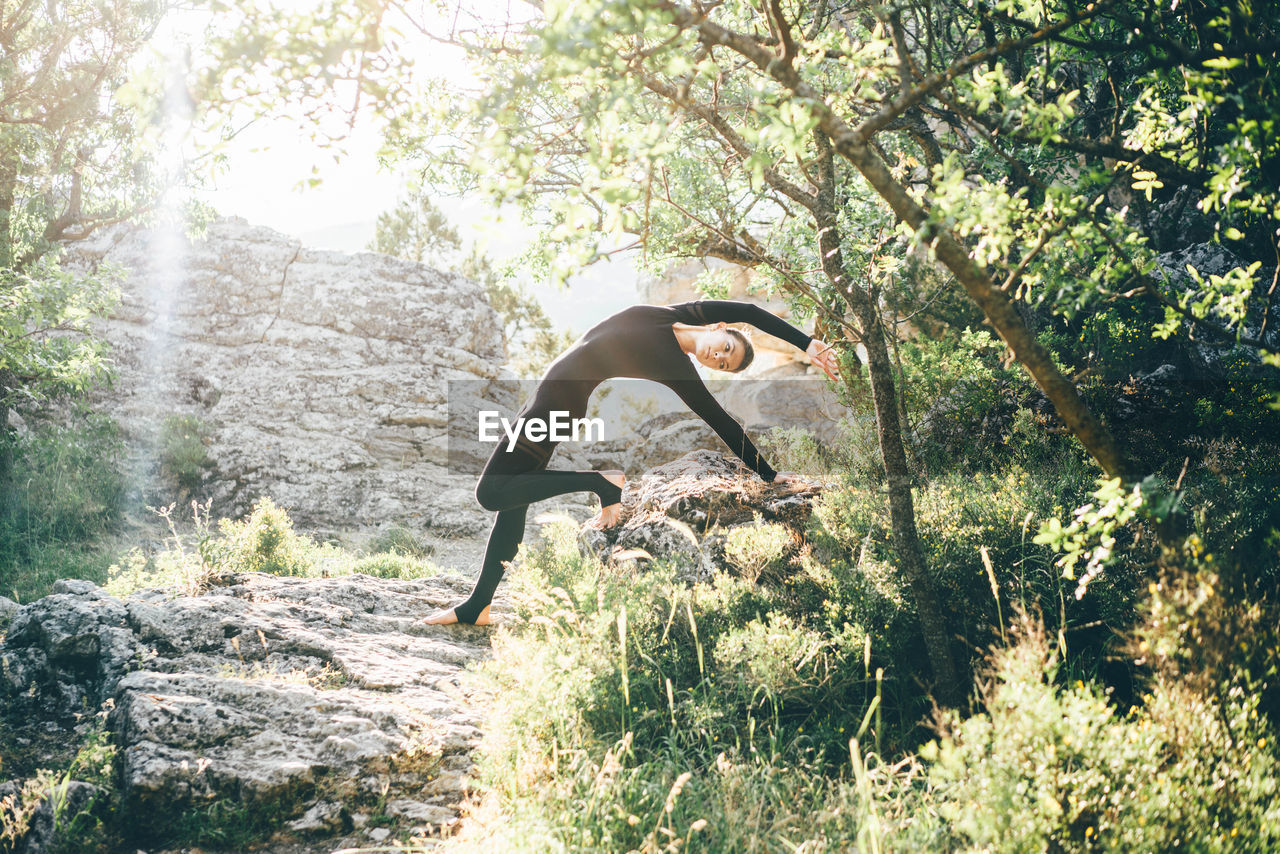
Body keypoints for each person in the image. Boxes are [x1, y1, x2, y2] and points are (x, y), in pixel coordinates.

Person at [424, 299, 840, 626]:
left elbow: (720, 420)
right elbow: (749, 311)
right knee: (511, 503)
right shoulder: (678, 314)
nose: (718, 357)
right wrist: (807, 343)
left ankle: (603, 484)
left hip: (558, 402)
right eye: (726, 348)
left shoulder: (675, 367)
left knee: (491, 493)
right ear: (719, 328)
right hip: (549, 397)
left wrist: (767, 473)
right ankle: (478, 606)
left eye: (723, 365)